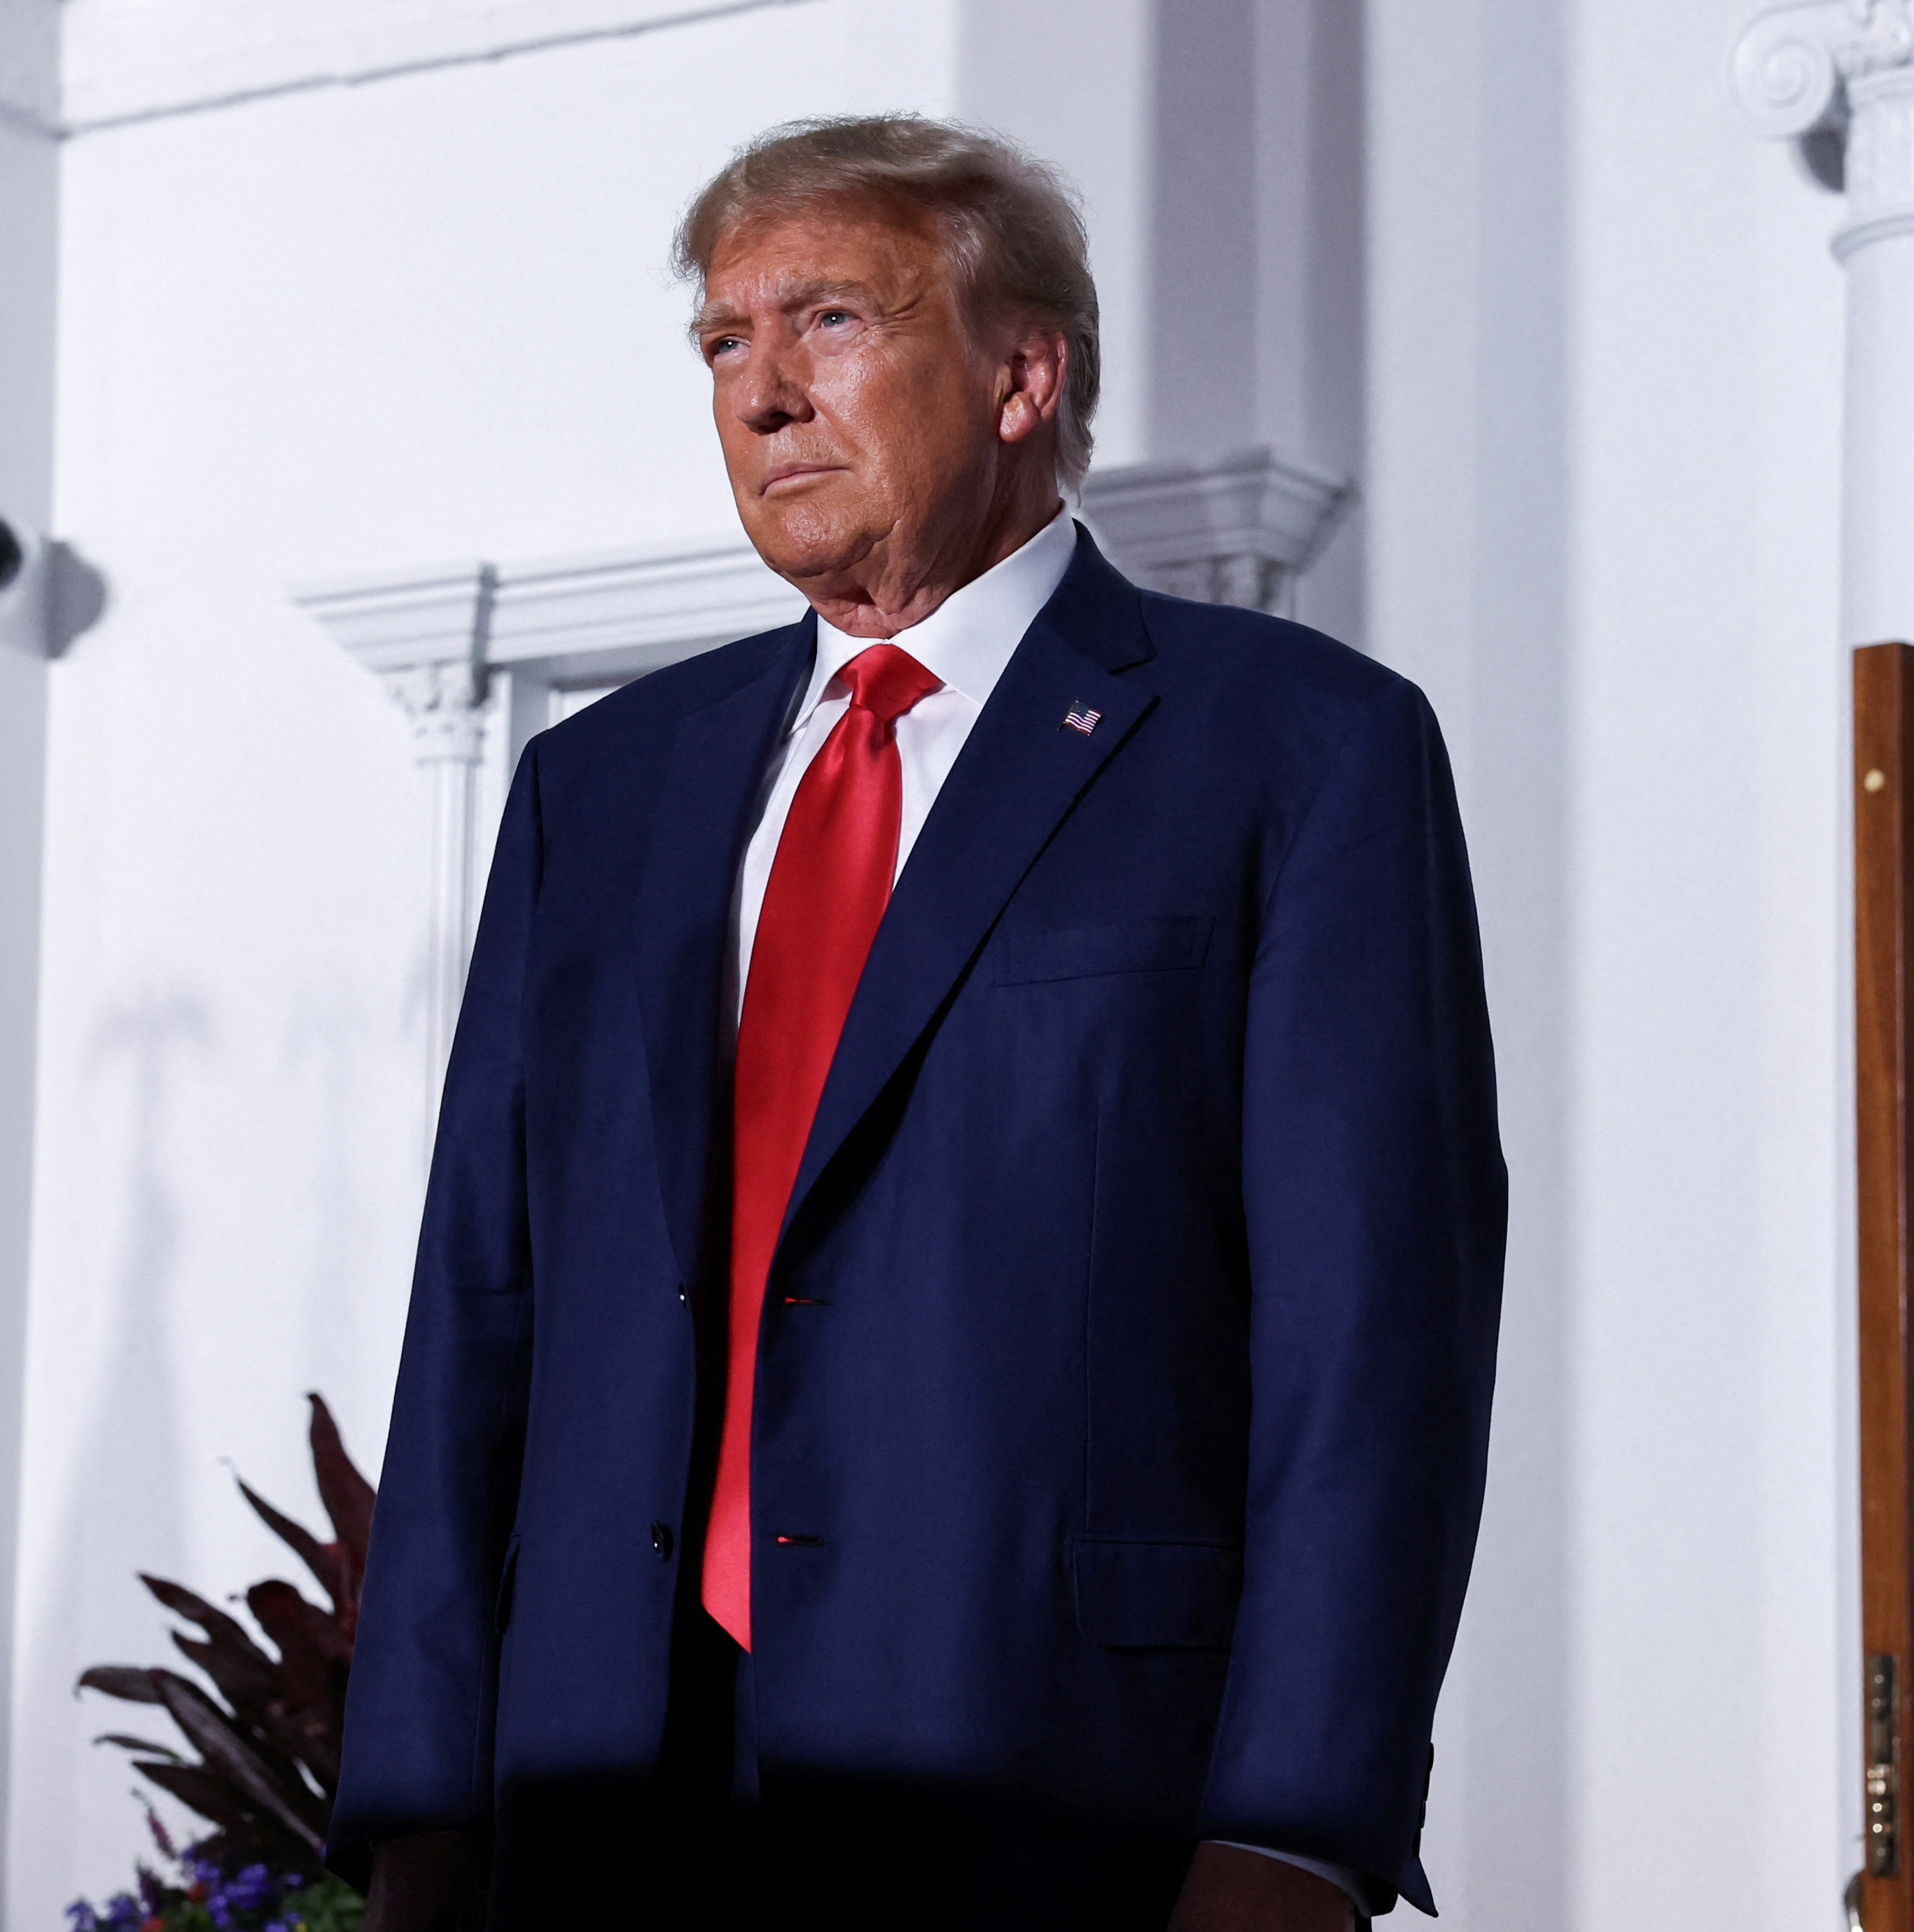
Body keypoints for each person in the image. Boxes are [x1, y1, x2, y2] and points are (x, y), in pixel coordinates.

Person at [326, 113, 1505, 1932]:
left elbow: (1372, 1343)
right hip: (604, 1806)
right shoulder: (598, 790)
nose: (764, 393)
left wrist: (1296, 1832)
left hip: (1061, 1799)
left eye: (831, 323)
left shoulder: (1299, 752)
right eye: (726, 341)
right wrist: (416, 1805)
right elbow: (479, 1306)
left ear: (1023, 371)